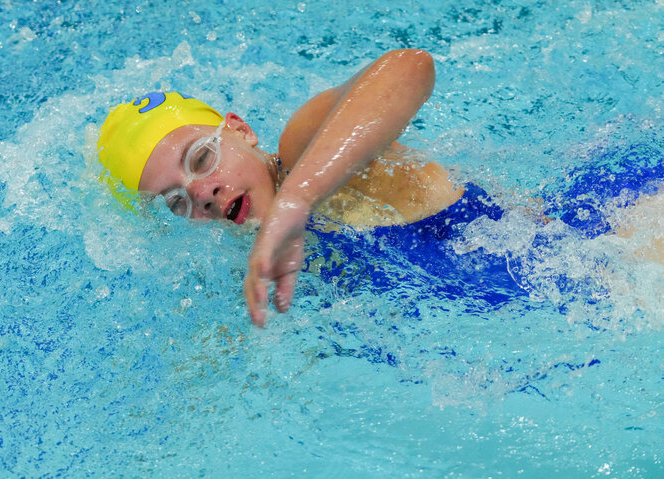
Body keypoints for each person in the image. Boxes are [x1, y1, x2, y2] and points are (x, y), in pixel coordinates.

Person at [96, 49, 664, 327]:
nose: (201, 194)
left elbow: (408, 67)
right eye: (175, 201)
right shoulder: (258, 261)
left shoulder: (301, 155)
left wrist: (298, 197)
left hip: (616, 238)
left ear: (240, 130)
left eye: (201, 158)